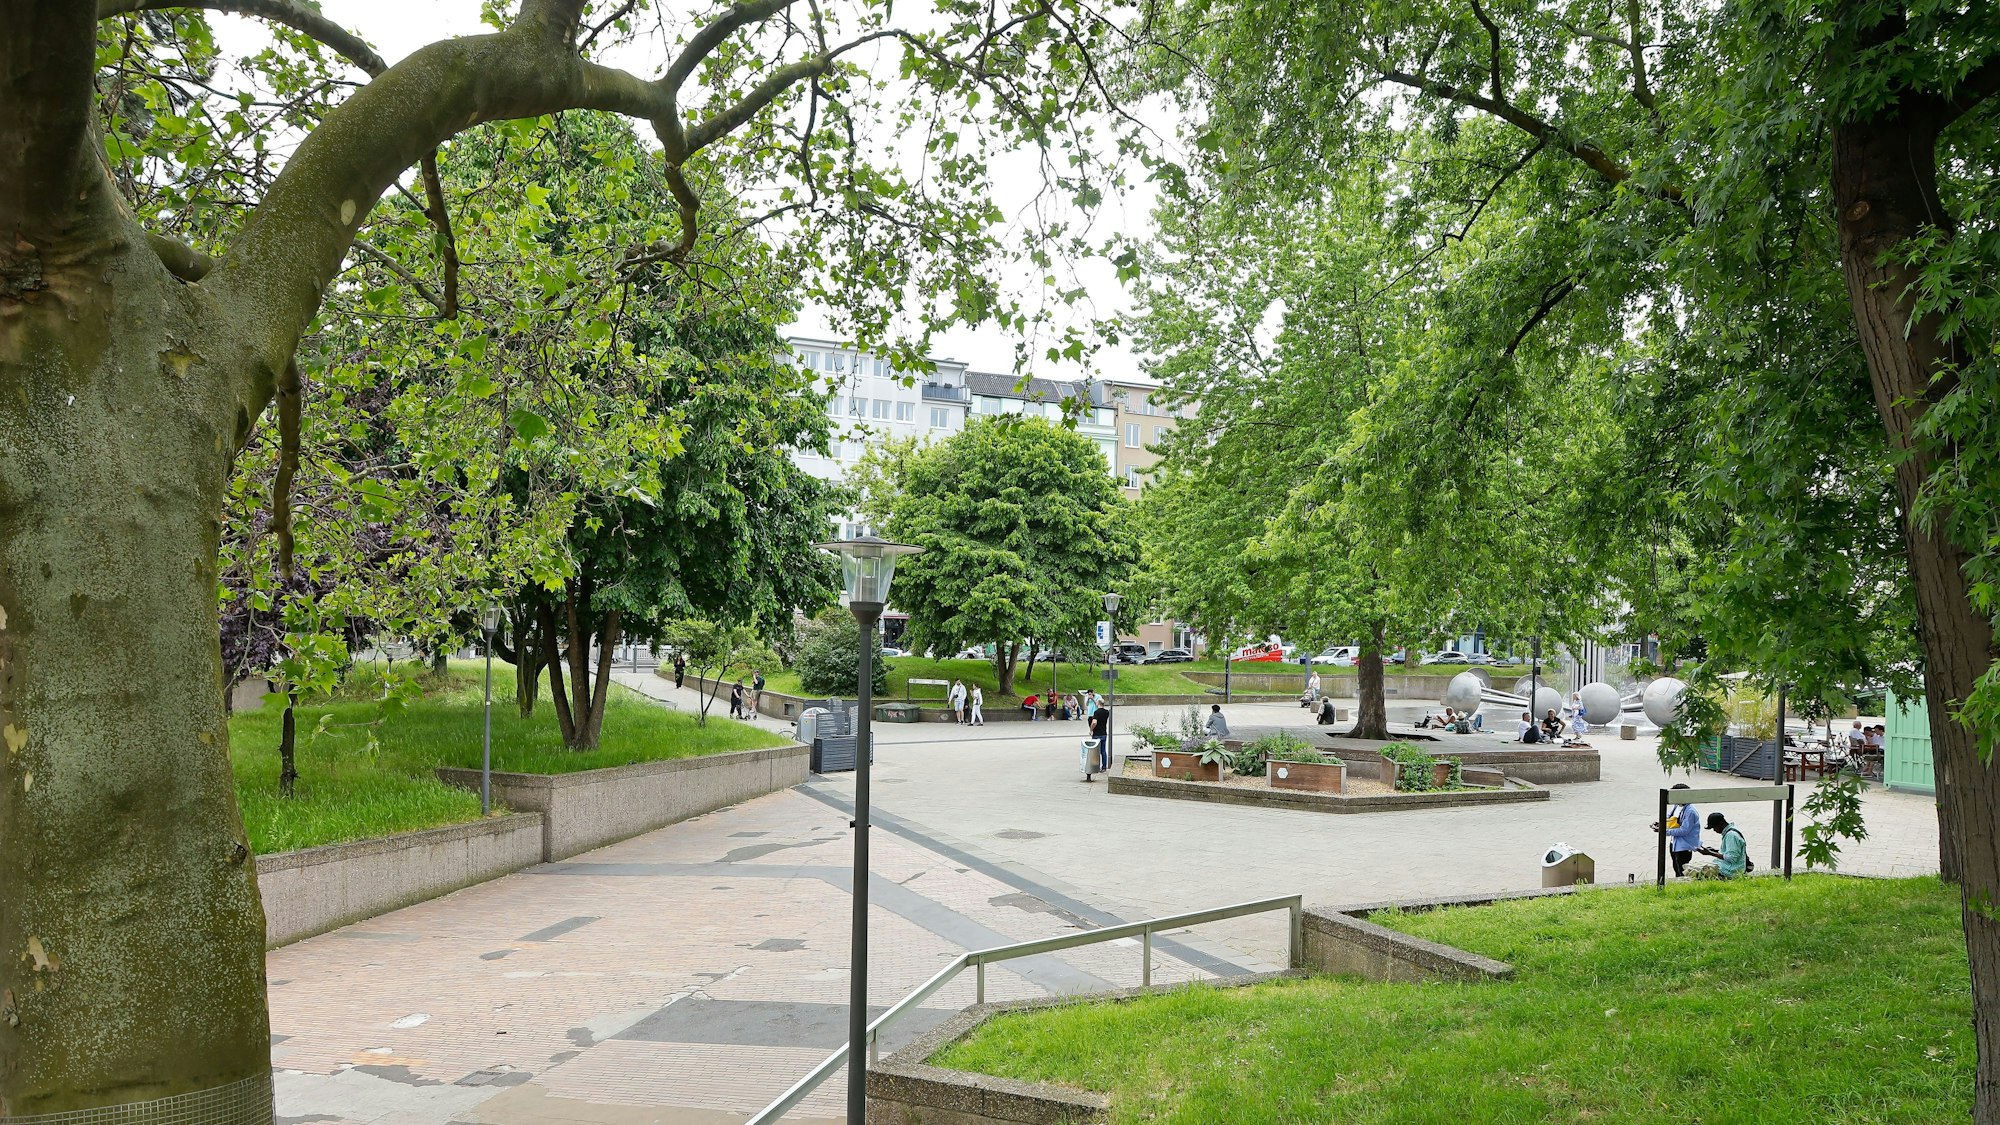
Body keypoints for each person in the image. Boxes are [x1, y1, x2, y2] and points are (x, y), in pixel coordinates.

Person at [1650, 782, 1702, 877]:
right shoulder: (1677, 806)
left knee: (1681, 870)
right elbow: (1669, 817)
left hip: (1684, 846)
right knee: (1676, 867)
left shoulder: (1690, 811)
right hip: (1674, 843)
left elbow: (1684, 830)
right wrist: (1660, 823)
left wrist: (1664, 831)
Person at [1694, 811, 1749, 880]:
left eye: (1714, 827)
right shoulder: (1731, 831)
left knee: (1695, 872)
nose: (1714, 830)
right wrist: (1715, 851)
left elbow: (1732, 858)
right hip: (1727, 866)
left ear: (1720, 823)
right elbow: (1732, 851)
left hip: (1731, 871)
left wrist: (1710, 853)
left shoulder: (1731, 836)